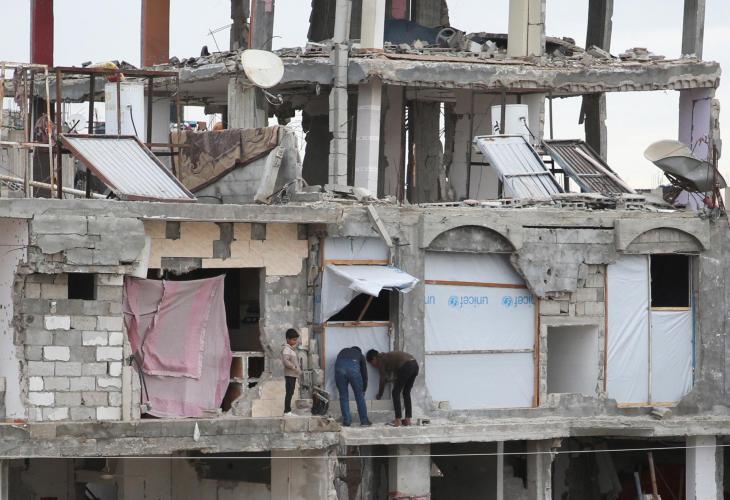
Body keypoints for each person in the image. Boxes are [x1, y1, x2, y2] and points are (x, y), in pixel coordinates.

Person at [366, 349, 419, 427]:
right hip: (415, 365)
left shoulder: (381, 360)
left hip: (406, 366)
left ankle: (398, 420)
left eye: (372, 363)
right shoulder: (387, 357)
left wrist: (380, 394)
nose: (373, 366)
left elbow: (382, 379)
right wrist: (389, 380)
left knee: (395, 393)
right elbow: (397, 375)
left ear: (374, 358)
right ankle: (408, 420)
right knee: (406, 392)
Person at [334, 346, 372, 427]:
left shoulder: (343, 351)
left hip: (339, 369)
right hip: (353, 368)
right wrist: (363, 389)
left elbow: (337, 364)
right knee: (359, 396)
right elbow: (364, 374)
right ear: (359, 351)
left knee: (343, 396)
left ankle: (347, 421)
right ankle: (364, 421)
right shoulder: (360, 355)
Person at [281, 329, 301, 417]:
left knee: (291, 392)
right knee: (289, 392)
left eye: (296, 340)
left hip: (292, 374)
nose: (295, 342)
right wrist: (294, 367)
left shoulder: (291, 349)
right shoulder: (286, 349)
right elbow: (285, 361)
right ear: (288, 339)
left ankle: (288, 411)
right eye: (293, 340)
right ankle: (287, 411)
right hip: (289, 374)